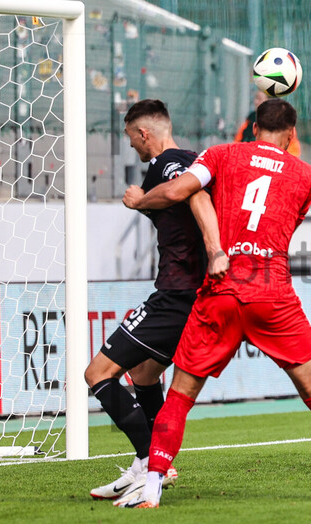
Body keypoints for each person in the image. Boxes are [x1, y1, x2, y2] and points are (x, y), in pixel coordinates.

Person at [118, 98, 311, 507]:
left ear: (253, 128)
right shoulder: (306, 174)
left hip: (221, 288)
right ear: (291, 134)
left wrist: (140, 200)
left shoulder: (220, 154)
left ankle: (151, 490)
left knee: (180, 395)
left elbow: (181, 189)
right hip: (273, 294)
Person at [85, 99, 208, 500]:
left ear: (144, 134)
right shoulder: (194, 159)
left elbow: (181, 192)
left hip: (174, 295)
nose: (132, 147)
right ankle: (149, 465)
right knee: (144, 375)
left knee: (97, 373)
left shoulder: (168, 165)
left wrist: (141, 201)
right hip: (194, 295)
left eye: (131, 138)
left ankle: (151, 462)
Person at [235, 89, 301, 157]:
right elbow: (237, 143)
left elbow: (293, 153)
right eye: (255, 98)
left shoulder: (284, 122)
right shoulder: (250, 120)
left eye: (259, 98)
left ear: (269, 102)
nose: (255, 102)